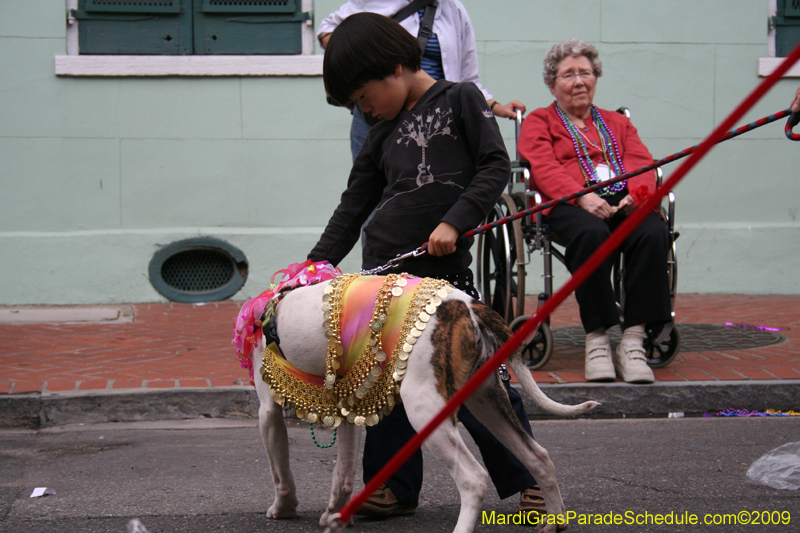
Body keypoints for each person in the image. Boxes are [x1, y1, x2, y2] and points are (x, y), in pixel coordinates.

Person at [308, 12, 543, 520]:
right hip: (384, 280)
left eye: (364, 97)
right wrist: (314, 264)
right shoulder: (379, 134)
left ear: (394, 68)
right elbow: (353, 207)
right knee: (384, 385)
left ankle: (529, 481)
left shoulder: (462, 99)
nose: (364, 110)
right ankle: (392, 485)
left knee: (474, 379)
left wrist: (455, 222)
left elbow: (494, 166)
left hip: (442, 281)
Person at [518, 39, 672, 384]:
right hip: (568, 205)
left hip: (621, 200)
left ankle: (633, 340)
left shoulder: (617, 122)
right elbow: (542, 168)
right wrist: (581, 197)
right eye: (568, 74)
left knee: (651, 232)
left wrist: (637, 195)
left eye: (585, 73)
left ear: (596, 77)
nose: (578, 81)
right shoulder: (539, 122)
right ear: (552, 83)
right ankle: (598, 338)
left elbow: (641, 162)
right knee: (591, 233)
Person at [318, 0, 526, 161]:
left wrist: (497, 108)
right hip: (378, 118)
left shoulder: (454, 10)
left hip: (434, 118)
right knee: (372, 195)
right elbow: (327, 31)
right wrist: (370, 56)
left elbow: (468, 79)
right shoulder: (374, 2)